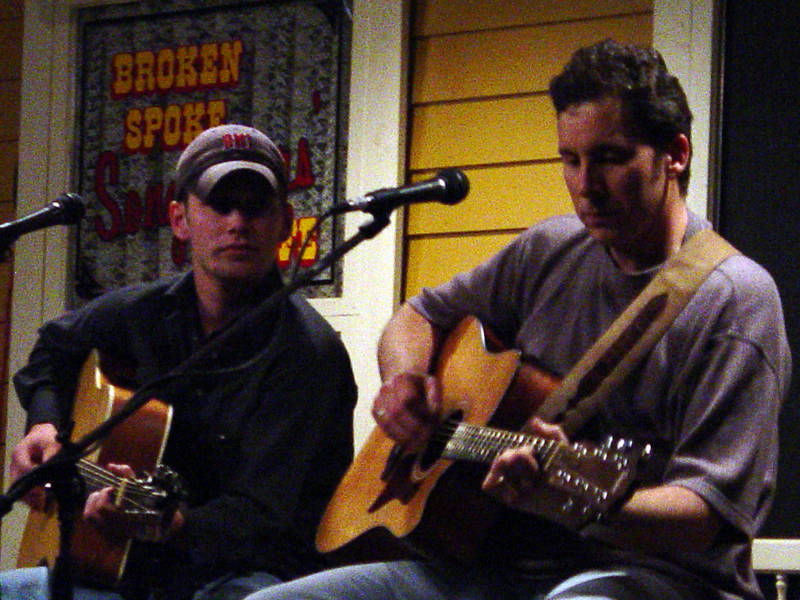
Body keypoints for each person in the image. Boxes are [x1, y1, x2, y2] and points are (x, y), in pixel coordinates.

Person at [244, 39, 791, 600]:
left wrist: (572, 493)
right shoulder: (548, 250)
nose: (586, 185)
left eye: (609, 158)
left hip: (658, 576)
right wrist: (404, 379)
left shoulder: (733, 300)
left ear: (674, 154)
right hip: (490, 565)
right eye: (571, 160)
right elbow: (418, 316)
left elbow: (703, 516)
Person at [0, 124, 357, 600]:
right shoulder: (140, 312)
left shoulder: (308, 354)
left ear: (285, 222)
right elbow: (53, 348)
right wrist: (43, 425)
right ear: (180, 218)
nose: (237, 222)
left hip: (246, 575)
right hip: (120, 567)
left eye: (255, 206)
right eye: (219, 204)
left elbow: (259, 519)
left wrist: (161, 522)